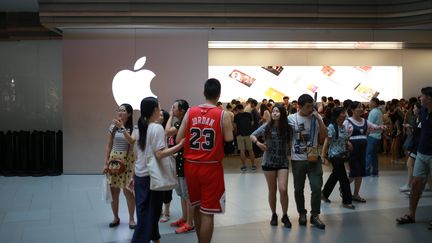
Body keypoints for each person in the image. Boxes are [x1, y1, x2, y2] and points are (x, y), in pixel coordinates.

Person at [176, 78, 233, 243]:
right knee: (208, 211)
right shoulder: (223, 115)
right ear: (219, 94)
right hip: (211, 167)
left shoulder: (190, 111)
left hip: (190, 166)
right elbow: (229, 146)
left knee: (197, 207)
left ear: (203, 93)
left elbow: (179, 138)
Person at [129, 97, 184, 243]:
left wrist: (132, 175)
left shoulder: (140, 126)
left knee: (145, 214)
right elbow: (159, 154)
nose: (161, 110)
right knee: (149, 217)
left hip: (140, 176)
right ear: (154, 110)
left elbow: (139, 154)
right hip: (153, 178)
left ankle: (156, 239)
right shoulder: (156, 127)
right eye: (159, 108)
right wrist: (179, 146)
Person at [288, 94, 327, 230]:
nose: (311, 109)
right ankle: (302, 213)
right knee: (298, 188)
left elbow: (324, 134)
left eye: (312, 106)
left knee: (316, 187)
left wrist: (319, 120)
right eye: (308, 107)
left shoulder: (316, 118)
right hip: (297, 159)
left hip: (314, 157)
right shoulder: (291, 118)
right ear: (299, 106)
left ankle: (315, 215)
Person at [250, 104, 292, 228]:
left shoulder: (287, 128)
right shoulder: (267, 126)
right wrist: (258, 143)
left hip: (283, 162)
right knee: (272, 190)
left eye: (277, 111)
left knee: (283, 189)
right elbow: (252, 135)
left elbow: (293, 141)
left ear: (282, 114)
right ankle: (274, 214)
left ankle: (285, 215)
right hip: (268, 162)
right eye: (273, 111)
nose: (274, 113)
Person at [396, 87, 432, 230]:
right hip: (421, 153)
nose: (420, 98)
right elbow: (420, 131)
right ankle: (411, 214)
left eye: (422, 96)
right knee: (416, 183)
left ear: (429, 98)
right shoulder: (422, 112)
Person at [165, 99, 196, 234]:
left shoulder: (182, 123)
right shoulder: (181, 122)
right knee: (183, 194)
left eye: (174, 108)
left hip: (186, 162)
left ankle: (190, 223)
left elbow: (167, 132)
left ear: (182, 110)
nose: (172, 109)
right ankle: (184, 218)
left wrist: (170, 116)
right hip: (180, 162)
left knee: (188, 195)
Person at [103, 103, 136, 229]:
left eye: (123, 110)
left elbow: (131, 141)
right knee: (114, 191)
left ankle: (132, 219)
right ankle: (116, 217)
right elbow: (108, 146)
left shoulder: (134, 128)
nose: (120, 112)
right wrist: (105, 162)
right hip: (114, 160)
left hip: (127, 161)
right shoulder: (112, 127)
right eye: (119, 110)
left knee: (128, 191)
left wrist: (122, 127)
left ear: (129, 113)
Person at [344, 101, 384, 203]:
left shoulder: (365, 121)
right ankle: (343, 188)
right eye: (358, 107)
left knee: (360, 173)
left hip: (362, 151)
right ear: (352, 110)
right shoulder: (347, 122)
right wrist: (347, 143)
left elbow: (374, 127)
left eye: (362, 107)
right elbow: (343, 136)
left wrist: (381, 127)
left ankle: (356, 194)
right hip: (352, 152)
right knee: (354, 173)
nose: (361, 109)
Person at [321, 107, 355, 209]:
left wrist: (348, 143)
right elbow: (327, 141)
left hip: (342, 155)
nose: (345, 114)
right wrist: (323, 155)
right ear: (337, 115)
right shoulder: (332, 127)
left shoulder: (342, 127)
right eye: (343, 113)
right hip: (335, 156)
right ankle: (347, 200)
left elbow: (343, 139)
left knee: (335, 175)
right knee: (343, 178)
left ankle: (324, 194)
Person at [158, 109, 173, 223]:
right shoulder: (154, 128)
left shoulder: (169, 131)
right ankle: (159, 210)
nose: (159, 116)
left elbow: (171, 146)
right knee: (157, 187)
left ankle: (166, 211)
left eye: (161, 115)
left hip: (167, 160)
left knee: (167, 188)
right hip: (156, 161)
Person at [234, 104, 256, 172]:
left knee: (242, 151)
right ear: (243, 108)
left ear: (237, 109)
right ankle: (253, 165)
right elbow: (252, 123)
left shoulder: (236, 116)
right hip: (248, 134)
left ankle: (244, 166)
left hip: (240, 135)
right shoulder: (248, 114)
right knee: (250, 150)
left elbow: (235, 126)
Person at [365, 97, 383, 176]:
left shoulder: (373, 112)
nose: (369, 103)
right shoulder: (379, 111)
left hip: (372, 135)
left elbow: (369, 125)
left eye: (371, 102)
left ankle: (366, 171)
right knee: (374, 155)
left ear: (374, 103)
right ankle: (375, 171)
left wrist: (366, 134)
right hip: (378, 136)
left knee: (368, 154)